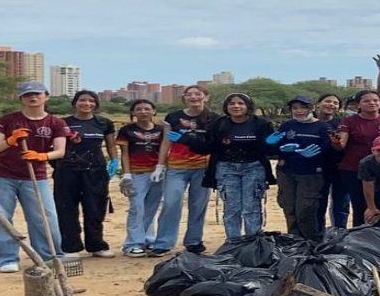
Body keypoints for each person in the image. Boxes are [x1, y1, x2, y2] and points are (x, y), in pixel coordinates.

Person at [0, 81, 69, 273]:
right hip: (0, 174)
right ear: (21, 98)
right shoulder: (7, 120)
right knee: (0, 216)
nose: (33, 97)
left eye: (37, 94)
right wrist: (11, 140)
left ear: (46, 96)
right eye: (27, 95)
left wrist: (42, 156)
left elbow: (60, 151)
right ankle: (6, 259)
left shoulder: (56, 122)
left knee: (45, 216)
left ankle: (50, 256)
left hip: (35, 175)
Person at [176, 93, 278, 240]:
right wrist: (186, 140)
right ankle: (233, 243)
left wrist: (273, 143)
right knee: (231, 208)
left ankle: (253, 243)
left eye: (240, 103)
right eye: (232, 103)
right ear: (226, 107)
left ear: (248, 106)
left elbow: (268, 150)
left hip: (254, 168)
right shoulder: (219, 124)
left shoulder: (261, 124)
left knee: (251, 208)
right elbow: (208, 147)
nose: (236, 106)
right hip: (226, 168)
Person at [154, 85, 216, 256]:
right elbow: (166, 142)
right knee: (171, 203)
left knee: (198, 206)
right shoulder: (174, 117)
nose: (194, 97)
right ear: (184, 98)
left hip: (202, 167)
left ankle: (194, 241)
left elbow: (214, 145)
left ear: (206, 97)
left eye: (198, 94)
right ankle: (164, 242)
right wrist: (160, 165)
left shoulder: (214, 118)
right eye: (189, 94)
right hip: (176, 167)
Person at [54, 90, 118, 259]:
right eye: (82, 100)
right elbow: (53, 147)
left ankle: (97, 245)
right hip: (67, 171)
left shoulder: (104, 123)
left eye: (91, 101)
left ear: (96, 104)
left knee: (95, 208)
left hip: (96, 171)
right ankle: (71, 247)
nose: (87, 104)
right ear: (75, 103)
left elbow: (111, 146)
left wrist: (114, 161)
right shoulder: (62, 123)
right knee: (67, 208)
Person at [334, 90, 380, 227]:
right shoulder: (349, 121)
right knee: (361, 206)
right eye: (366, 101)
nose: (372, 103)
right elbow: (341, 145)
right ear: (358, 105)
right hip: (353, 169)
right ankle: (360, 237)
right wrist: (336, 141)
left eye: (375, 100)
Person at [272, 95, 330, 240]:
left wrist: (314, 154)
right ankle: (295, 241)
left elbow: (329, 148)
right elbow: (274, 144)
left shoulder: (323, 127)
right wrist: (280, 146)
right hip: (287, 172)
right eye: (295, 108)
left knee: (306, 210)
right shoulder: (287, 125)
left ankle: (311, 242)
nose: (299, 111)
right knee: (289, 208)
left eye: (303, 107)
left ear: (312, 108)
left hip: (311, 174)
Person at [116, 99, 165, 257]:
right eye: (139, 109)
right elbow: (124, 154)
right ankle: (132, 243)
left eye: (147, 109)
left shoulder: (161, 129)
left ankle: (148, 239)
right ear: (133, 112)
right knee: (137, 208)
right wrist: (126, 174)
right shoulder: (126, 131)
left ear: (154, 111)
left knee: (151, 208)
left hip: (158, 174)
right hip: (137, 173)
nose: (143, 112)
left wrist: (162, 167)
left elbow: (166, 149)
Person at [314, 93, 349, 231]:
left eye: (335, 103)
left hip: (339, 167)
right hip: (315, 169)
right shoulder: (308, 122)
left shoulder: (343, 123)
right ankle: (319, 235)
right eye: (327, 101)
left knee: (341, 204)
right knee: (318, 204)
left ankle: (340, 233)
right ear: (318, 104)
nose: (331, 105)